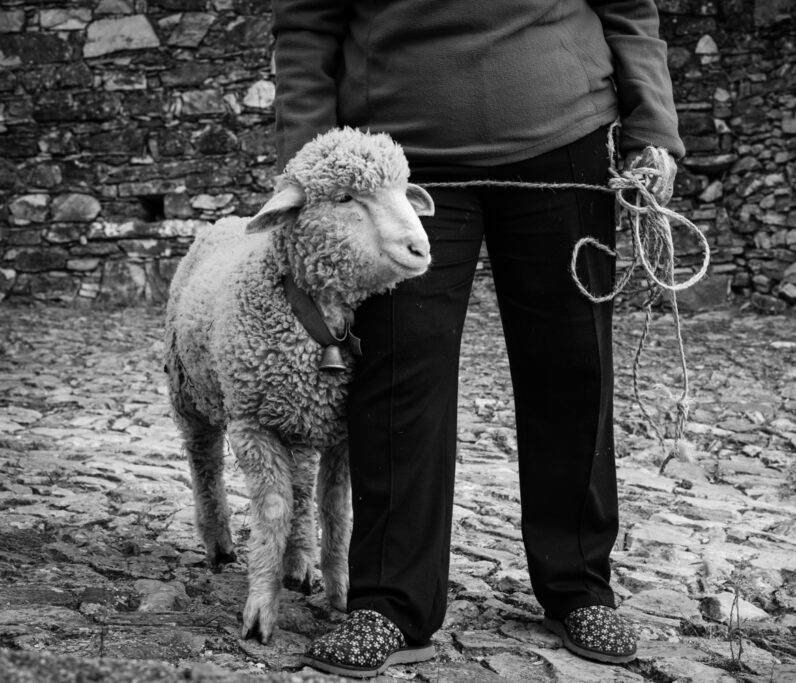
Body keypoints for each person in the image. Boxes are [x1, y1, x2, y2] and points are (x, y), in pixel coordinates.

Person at [270, 1, 685, 678]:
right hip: (396, 161)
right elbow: (306, 25)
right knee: (400, 377)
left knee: (572, 368)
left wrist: (653, 128)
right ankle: (391, 600)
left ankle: (579, 583)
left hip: (567, 139)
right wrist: (311, 165)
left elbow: (629, 8)